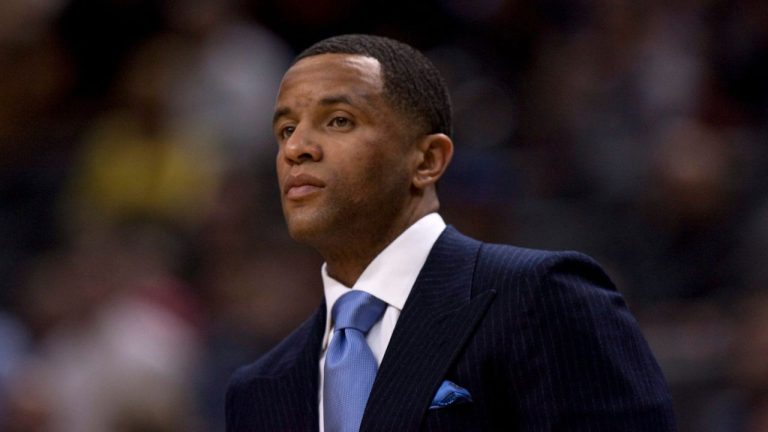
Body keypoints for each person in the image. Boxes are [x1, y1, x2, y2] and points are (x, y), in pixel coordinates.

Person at [225, 34, 676, 431]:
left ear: (427, 161)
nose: (296, 148)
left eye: (339, 120)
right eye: (285, 129)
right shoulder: (259, 389)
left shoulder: (542, 298)